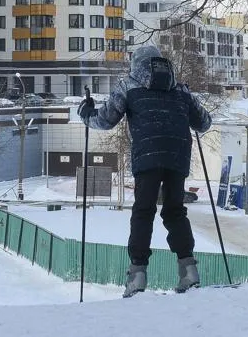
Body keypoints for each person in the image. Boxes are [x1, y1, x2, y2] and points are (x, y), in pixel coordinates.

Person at [81, 43, 213, 297]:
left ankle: (137, 276)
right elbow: (204, 123)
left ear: (135, 64)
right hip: (178, 154)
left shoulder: (129, 86)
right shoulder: (180, 89)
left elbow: (105, 120)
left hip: (147, 155)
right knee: (175, 211)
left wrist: (86, 113)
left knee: (144, 211)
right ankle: (189, 272)